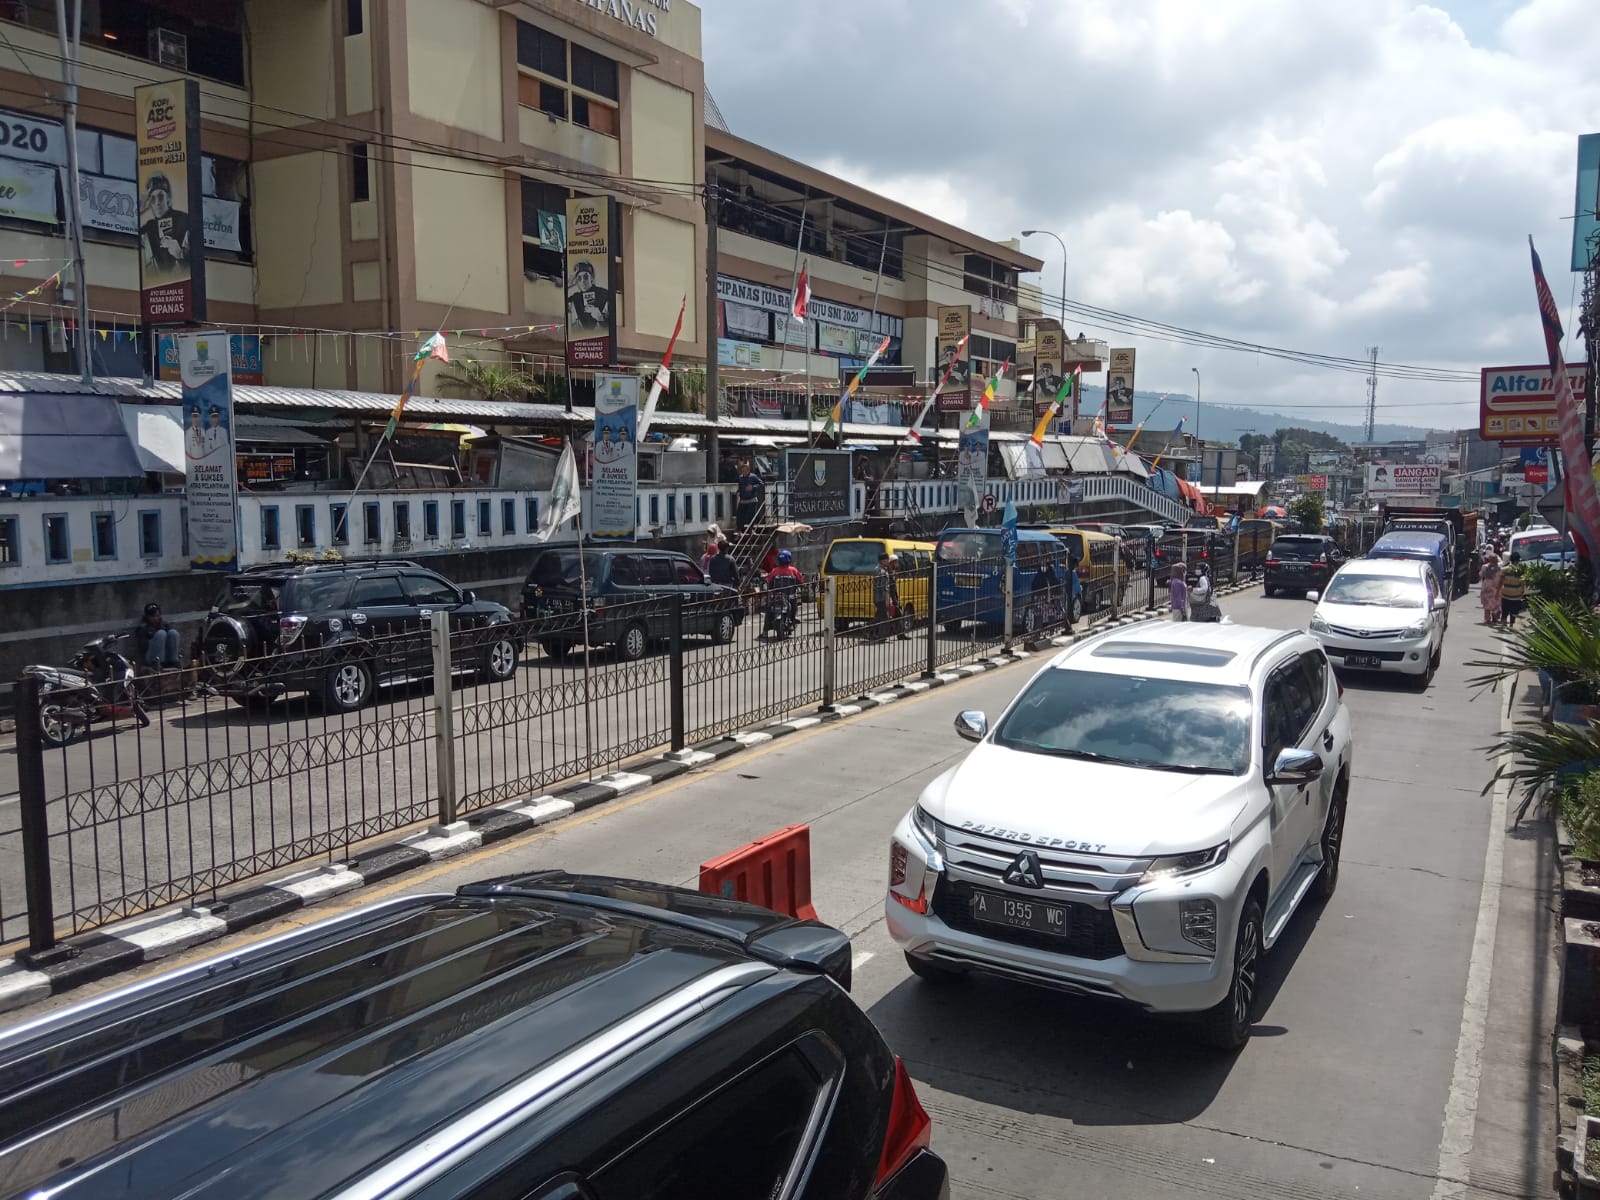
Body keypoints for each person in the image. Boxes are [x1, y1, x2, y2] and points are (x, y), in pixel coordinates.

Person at [139, 173, 190, 277]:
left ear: (168, 198)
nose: (157, 202)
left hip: (181, 284)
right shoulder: (149, 227)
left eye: (161, 196)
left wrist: (181, 254)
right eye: (152, 199)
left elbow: (197, 253)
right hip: (158, 285)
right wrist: (140, 208)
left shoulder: (183, 219)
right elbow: (129, 237)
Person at [763, 549, 804, 638]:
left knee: (769, 610)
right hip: (790, 597)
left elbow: (769, 582)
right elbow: (801, 582)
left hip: (777, 597)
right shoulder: (793, 570)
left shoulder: (775, 570)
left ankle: (765, 631)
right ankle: (793, 620)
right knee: (794, 607)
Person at [132, 603, 182, 671]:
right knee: (161, 634)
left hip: (166, 656)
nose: (155, 618)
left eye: (157, 616)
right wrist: (153, 634)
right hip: (150, 658)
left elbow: (172, 638)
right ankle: (156, 663)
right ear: (147, 616)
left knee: (173, 633)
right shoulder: (143, 628)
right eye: (152, 616)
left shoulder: (164, 624)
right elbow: (143, 647)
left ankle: (173, 661)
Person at [565, 259, 611, 332]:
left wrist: (600, 318)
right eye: (579, 278)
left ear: (592, 278)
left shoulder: (605, 294)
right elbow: (560, 306)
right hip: (580, 339)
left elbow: (613, 324)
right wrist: (568, 285)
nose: (582, 281)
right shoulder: (575, 298)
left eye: (586, 277)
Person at [872, 552, 902, 640]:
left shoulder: (876, 569)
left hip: (877, 597)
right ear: (883, 561)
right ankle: (881, 636)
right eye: (887, 560)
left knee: (880, 616)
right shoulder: (883, 572)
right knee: (884, 618)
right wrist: (887, 599)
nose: (888, 561)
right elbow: (885, 588)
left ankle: (875, 633)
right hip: (882, 598)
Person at [735, 460, 766, 532]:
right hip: (743, 499)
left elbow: (761, 484)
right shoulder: (740, 478)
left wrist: (753, 487)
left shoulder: (753, 477)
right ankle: (739, 530)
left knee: (751, 516)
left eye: (746, 470)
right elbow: (740, 486)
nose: (744, 471)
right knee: (740, 516)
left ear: (748, 470)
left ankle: (751, 529)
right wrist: (739, 491)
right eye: (743, 470)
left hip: (751, 499)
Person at [1500, 552, 1527, 627]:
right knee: (1514, 611)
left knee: (1505, 609)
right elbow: (1523, 583)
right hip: (1516, 595)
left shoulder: (1504, 569)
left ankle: (1503, 622)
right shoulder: (1521, 571)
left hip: (1506, 593)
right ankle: (1511, 625)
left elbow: (1501, 580)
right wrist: (1522, 591)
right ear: (1518, 560)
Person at [1479, 553, 1503, 626]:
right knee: (1496, 603)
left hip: (1487, 588)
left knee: (1486, 604)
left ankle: (1487, 619)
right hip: (1496, 588)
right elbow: (1501, 579)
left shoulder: (1484, 567)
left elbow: (1481, 575)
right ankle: (1495, 617)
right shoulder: (1500, 568)